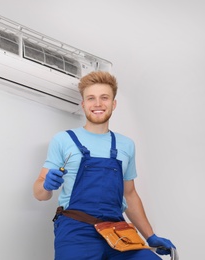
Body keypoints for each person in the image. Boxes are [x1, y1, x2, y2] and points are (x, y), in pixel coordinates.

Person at [33, 71, 175, 259]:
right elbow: (39, 194)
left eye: (104, 98)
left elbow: (130, 194)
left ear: (113, 104)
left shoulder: (126, 145)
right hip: (76, 230)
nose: (98, 104)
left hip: (118, 231)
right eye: (91, 98)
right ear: (83, 104)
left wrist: (150, 236)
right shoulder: (64, 140)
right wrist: (46, 185)